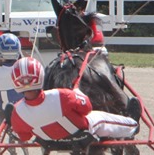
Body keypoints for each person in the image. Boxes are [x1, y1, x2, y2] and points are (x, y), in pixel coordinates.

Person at [8, 56, 140, 144]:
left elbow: (25, 137)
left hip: (48, 140)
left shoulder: (17, 112)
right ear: (40, 76)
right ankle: (132, 125)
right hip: (78, 132)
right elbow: (86, 107)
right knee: (101, 117)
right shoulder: (62, 95)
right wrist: (76, 93)